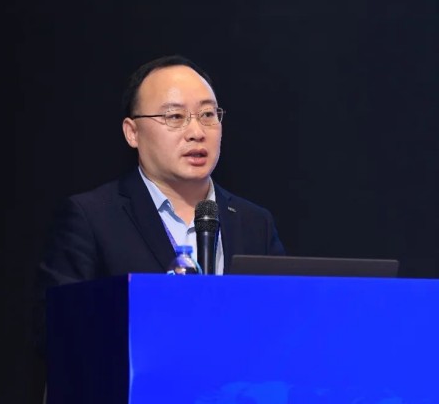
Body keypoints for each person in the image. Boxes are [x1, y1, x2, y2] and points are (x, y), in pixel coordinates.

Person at [32, 54, 286, 359]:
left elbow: (285, 324)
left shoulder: (254, 222)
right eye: (175, 117)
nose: (196, 131)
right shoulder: (91, 218)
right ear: (132, 132)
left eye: (208, 114)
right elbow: (59, 331)